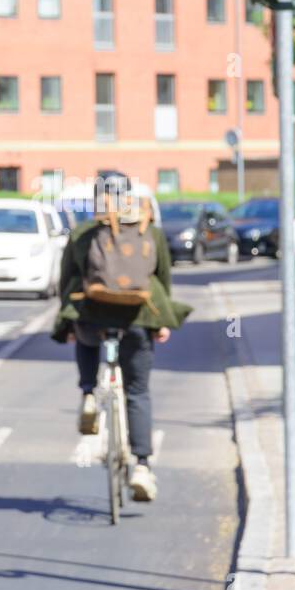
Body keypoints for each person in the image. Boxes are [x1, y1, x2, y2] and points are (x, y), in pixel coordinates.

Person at [52, 176, 191, 502]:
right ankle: (142, 465)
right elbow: (161, 280)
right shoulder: (149, 231)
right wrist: (161, 321)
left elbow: (67, 279)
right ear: (129, 196)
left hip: (92, 316)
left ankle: (88, 392)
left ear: (96, 198)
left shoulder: (84, 233)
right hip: (138, 320)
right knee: (138, 391)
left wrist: (67, 322)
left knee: (85, 339)